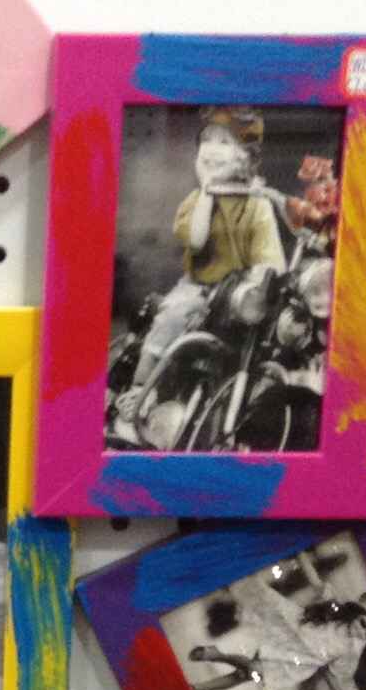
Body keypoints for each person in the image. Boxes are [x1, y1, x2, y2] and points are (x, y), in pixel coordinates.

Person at [111, 108, 288, 447]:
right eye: (206, 141)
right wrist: (207, 191)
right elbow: (196, 239)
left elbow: (272, 260)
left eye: (223, 142)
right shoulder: (196, 200)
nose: (211, 149)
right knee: (174, 314)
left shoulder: (258, 205)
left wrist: (269, 278)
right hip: (198, 287)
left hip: (239, 297)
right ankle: (139, 392)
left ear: (245, 157)